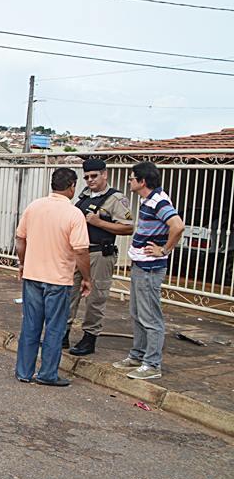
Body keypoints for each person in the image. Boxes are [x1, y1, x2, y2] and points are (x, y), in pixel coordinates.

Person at [15, 167, 91, 387]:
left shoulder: (34, 207)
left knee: (30, 325)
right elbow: (81, 250)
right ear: (72, 186)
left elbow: (20, 239)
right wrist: (87, 277)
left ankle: (24, 371)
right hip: (58, 279)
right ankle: (47, 373)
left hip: (32, 275)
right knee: (54, 328)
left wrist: (23, 263)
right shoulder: (73, 213)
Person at [113, 162, 185, 380]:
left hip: (150, 268)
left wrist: (163, 250)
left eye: (133, 178)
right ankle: (137, 355)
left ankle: (152, 364)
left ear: (142, 181)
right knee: (137, 313)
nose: (129, 181)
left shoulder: (159, 201)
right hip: (140, 265)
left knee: (150, 316)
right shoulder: (149, 200)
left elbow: (178, 226)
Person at [65, 158, 134, 355]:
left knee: (95, 297)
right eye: (86, 177)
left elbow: (128, 228)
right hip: (80, 252)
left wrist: (99, 222)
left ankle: (89, 338)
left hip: (99, 254)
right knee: (69, 294)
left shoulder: (116, 199)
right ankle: (63, 334)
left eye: (94, 176)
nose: (90, 180)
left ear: (104, 174)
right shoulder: (84, 196)